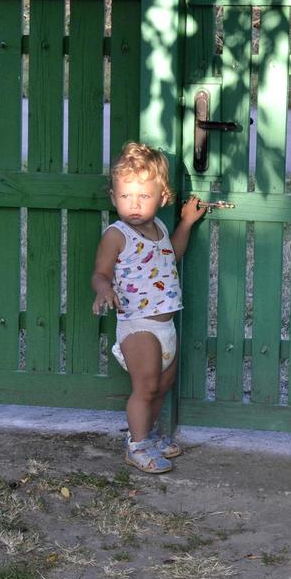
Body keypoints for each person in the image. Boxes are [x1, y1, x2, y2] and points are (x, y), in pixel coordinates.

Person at [92, 142, 208, 473]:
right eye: (126, 196)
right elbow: (100, 273)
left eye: (143, 196)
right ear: (114, 198)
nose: (134, 205)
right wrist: (103, 290)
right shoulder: (117, 235)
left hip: (165, 327)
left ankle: (149, 434)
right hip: (138, 326)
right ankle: (137, 445)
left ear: (162, 197)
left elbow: (172, 254)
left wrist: (185, 224)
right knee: (145, 388)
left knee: (161, 386)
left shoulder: (158, 230)